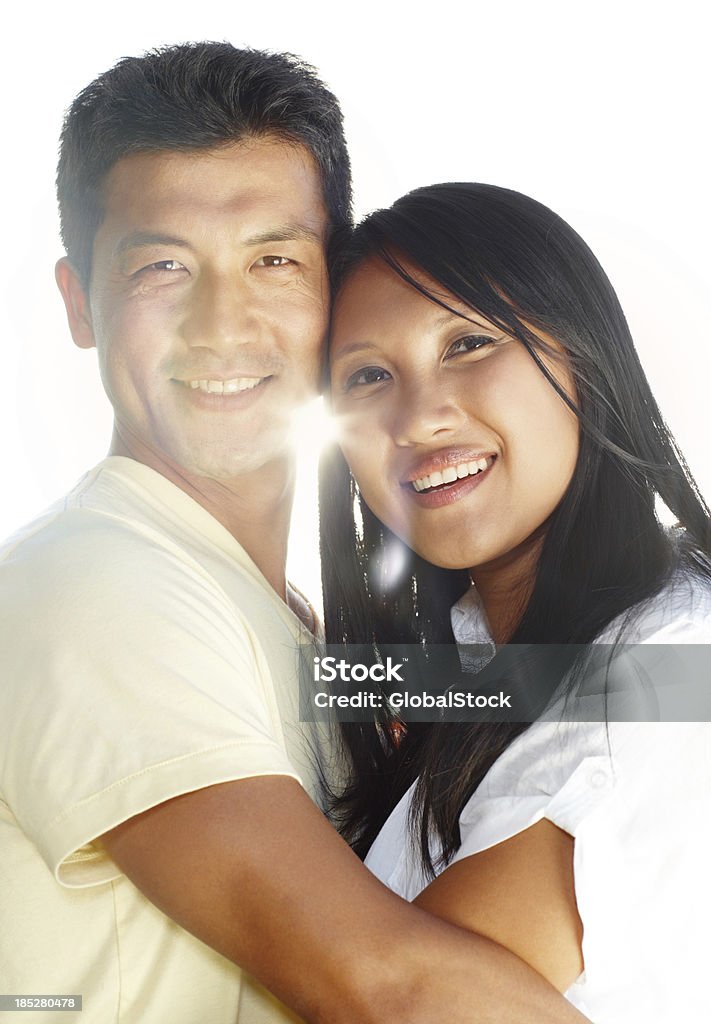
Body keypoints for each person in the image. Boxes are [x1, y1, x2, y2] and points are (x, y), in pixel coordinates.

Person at [0, 46, 592, 1024]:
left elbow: (585, 682)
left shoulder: (282, 620)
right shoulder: (99, 582)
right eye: (162, 266)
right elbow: (384, 985)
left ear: (335, 287)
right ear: (78, 302)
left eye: (273, 258)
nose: (221, 323)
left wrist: (665, 653)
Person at [323, 181, 711, 1023]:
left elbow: (399, 1002)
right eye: (367, 376)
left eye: (466, 342)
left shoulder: (670, 664)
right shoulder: (474, 673)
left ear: (584, 357)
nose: (418, 419)